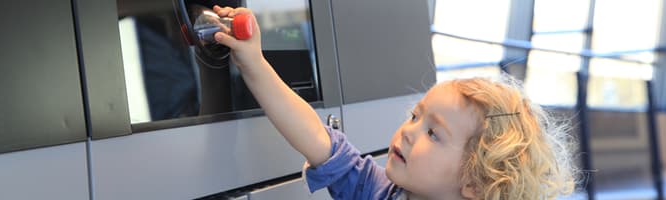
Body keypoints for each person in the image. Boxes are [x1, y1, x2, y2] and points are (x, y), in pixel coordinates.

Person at [211, 6, 578, 200]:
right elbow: (315, 137)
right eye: (416, 116)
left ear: (475, 181)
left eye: (434, 133)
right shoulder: (374, 189)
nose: (408, 131)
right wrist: (254, 62)